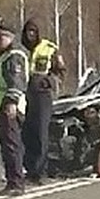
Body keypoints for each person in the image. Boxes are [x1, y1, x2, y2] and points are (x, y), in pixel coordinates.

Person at [0, 21, 30, 196]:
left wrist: (11, 101)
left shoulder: (14, 56)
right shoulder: (5, 55)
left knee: (12, 145)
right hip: (1, 106)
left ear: (11, 37)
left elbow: (16, 81)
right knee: (7, 146)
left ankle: (16, 182)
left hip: (9, 106)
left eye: (2, 37)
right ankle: (12, 180)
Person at [21, 18, 66, 184]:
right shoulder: (20, 50)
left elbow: (60, 73)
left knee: (41, 134)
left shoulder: (49, 49)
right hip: (23, 96)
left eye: (33, 31)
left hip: (42, 96)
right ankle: (30, 169)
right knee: (27, 135)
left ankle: (40, 171)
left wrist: (47, 82)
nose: (30, 35)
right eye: (27, 32)